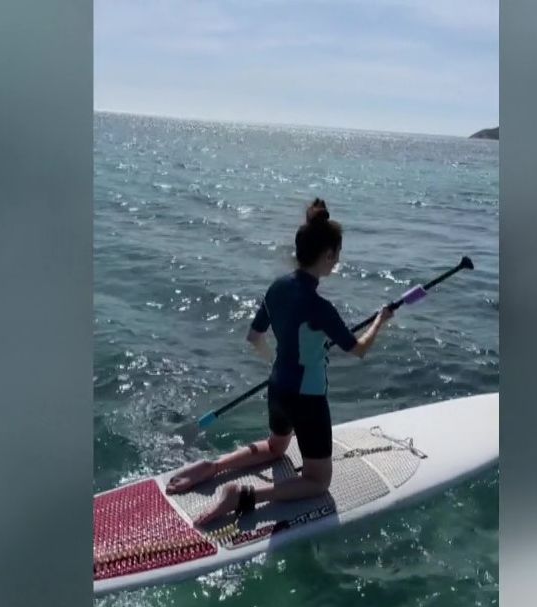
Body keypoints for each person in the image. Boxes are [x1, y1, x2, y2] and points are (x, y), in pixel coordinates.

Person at [166, 198, 393, 525]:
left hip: (278, 388)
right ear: (328, 255)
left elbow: (254, 337)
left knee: (276, 447)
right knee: (318, 481)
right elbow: (358, 349)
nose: (337, 262)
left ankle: (214, 467)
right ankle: (244, 496)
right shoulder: (320, 306)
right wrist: (380, 320)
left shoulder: (276, 288)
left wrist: (281, 362)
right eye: (337, 256)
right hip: (308, 399)